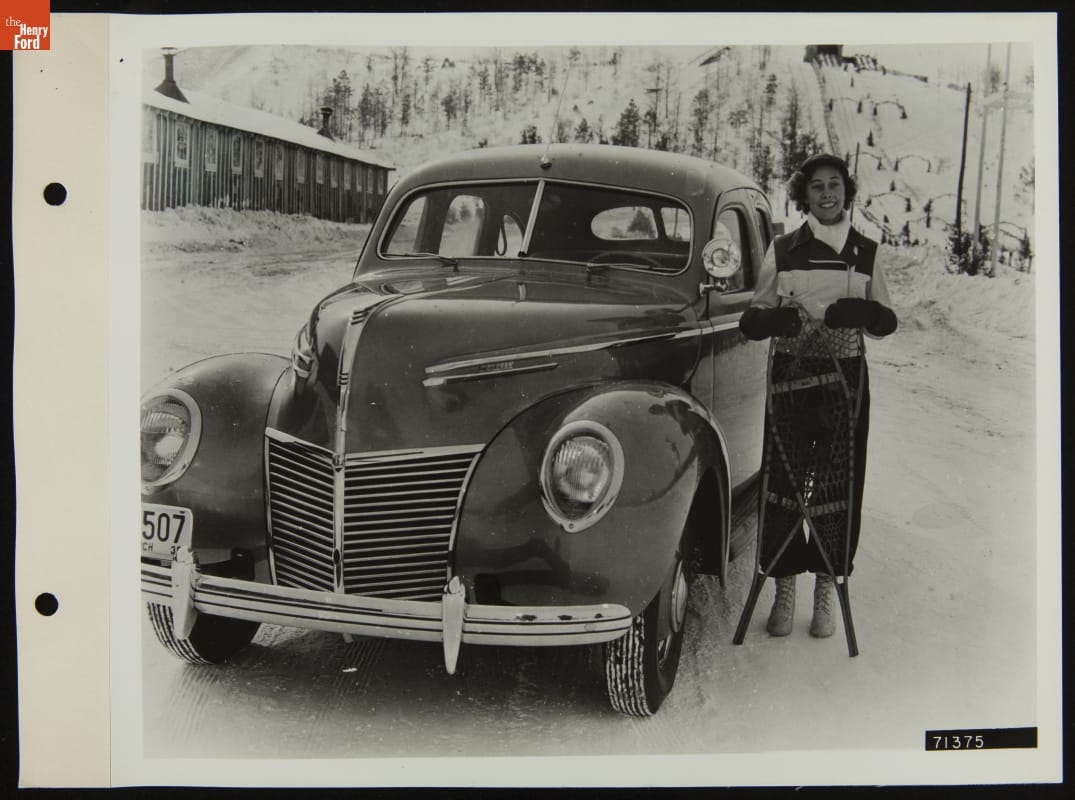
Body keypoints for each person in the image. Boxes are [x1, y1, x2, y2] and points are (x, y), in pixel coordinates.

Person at [739, 153, 897, 638]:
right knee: (783, 482)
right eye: (817, 186)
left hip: (844, 380)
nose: (827, 194)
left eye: (834, 185)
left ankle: (827, 585)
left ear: (847, 191)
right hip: (791, 375)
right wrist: (774, 320)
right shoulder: (784, 249)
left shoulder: (866, 251)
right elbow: (752, 317)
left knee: (837, 484)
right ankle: (783, 586)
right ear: (803, 195)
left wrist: (864, 314)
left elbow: (887, 320)